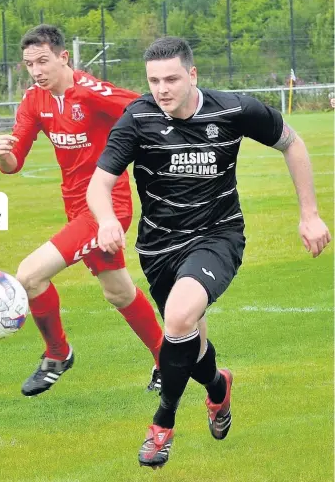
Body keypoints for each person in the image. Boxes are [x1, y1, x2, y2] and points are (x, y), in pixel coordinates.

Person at [86, 36, 331, 468]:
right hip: (158, 246)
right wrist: (106, 220)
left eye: (172, 79)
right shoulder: (138, 119)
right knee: (189, 341)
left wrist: (309, 214)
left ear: (193, 75)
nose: (162, 89)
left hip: (217, 235)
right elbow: (100, 182)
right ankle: (218, 387)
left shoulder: (233, 109)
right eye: (154, 80)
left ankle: (162, 426)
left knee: (178, 318)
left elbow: (292, 143)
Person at [0, 24, 163, 397]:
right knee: (118, 292)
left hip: (107, 208)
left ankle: (57, 354)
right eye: (29, 64)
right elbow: (14, 163)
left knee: (29, 276)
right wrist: (4, 153)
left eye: (43, 61)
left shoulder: (91, 92)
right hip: (75, 207)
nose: (37, 70)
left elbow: (145, 108)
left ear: (62, 57)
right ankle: (167, 360)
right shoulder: (33, 101)